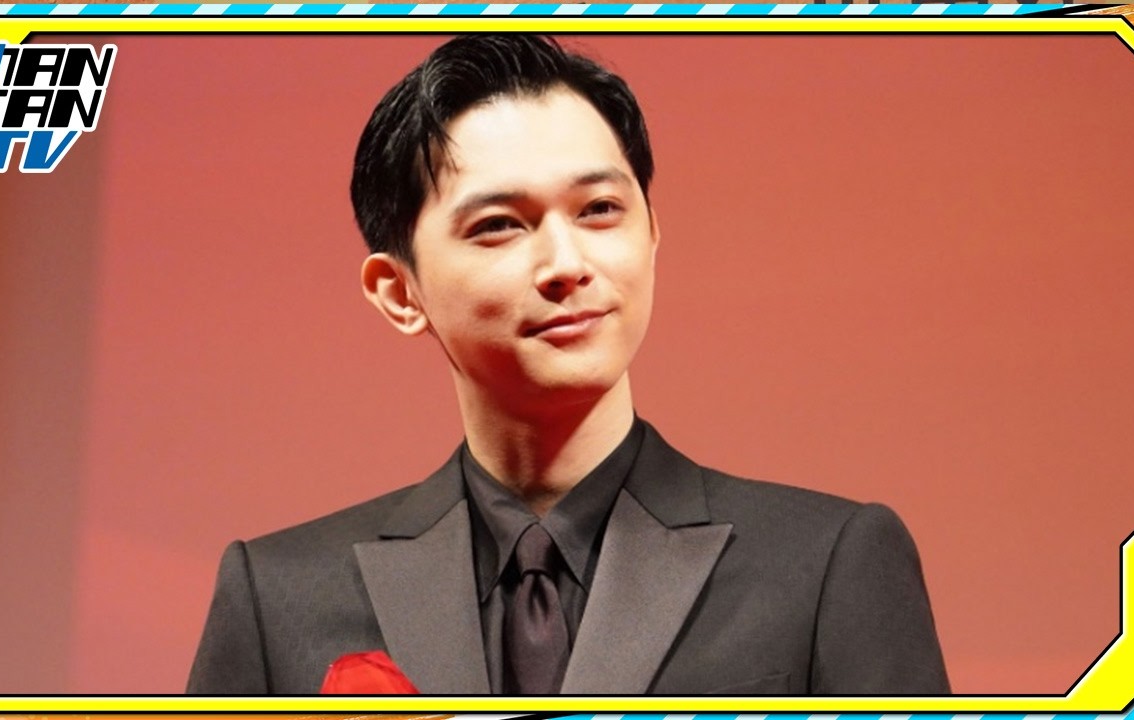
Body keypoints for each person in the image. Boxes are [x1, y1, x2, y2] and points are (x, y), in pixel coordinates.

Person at [187, 33, 949, 696]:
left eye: (599, 211)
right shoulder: (278, 597)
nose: (566, 263)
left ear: (652, 234)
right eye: (499, 225)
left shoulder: (826, 564)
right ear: (399, 292)